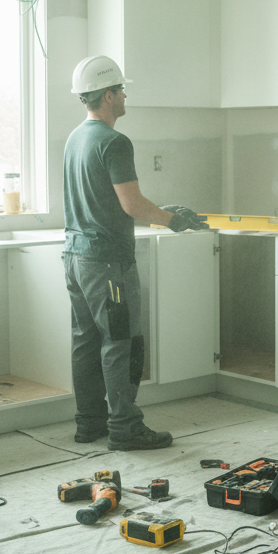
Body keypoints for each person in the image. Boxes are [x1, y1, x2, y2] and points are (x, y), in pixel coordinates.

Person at [63, 54, 209, 450]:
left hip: (75, 258)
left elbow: (109, 200)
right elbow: (132, 205)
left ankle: (89, 423)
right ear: (109, 96)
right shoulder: (114, 142)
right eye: (122, 89)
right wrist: (172, 220)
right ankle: (125, 428)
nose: (126, 95)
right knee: (121, 342)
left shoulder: (75, 138)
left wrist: (161, 211)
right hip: (107, 263)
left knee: (86, 342)